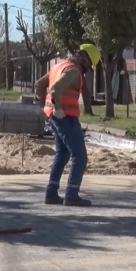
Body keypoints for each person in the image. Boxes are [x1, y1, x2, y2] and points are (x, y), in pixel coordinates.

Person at [35, 43, 101, 207]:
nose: (87, 69)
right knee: (79, 156)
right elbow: (56, 88)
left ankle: (51, 193)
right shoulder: (73, 70)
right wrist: (57, 108)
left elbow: (40, 84)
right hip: (65, 117)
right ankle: (71, 195)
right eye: (88, 64)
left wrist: (44, 108)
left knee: (62, 154)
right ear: (84, 59)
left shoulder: (58, 66)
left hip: (55, 117)